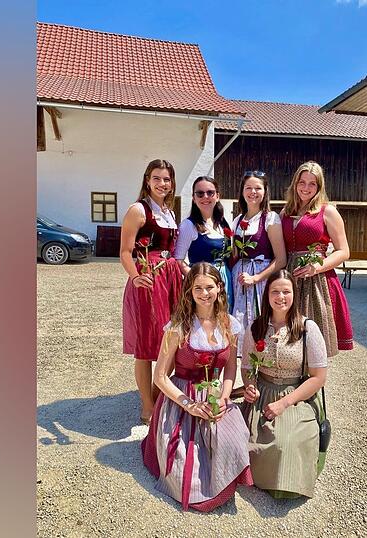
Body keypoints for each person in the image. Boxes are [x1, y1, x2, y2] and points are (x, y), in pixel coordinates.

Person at [141, 263, 253, 511]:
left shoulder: (230, 324)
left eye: (209, 287)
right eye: (198, 288)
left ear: (220, 288)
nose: (204, 293)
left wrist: (224, 398)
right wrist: (189, 405)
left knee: (234, 443)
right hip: (181, 400)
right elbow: (160, 377)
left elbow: (230, 368)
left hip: (215, 395)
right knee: (183, 469)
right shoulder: (178, 327)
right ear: (189, 291)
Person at [241, 270, 328, 499]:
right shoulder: (256, 327)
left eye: (286, 291)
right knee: (245, 439)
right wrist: (250, 386)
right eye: (275, 291)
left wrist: (285, 403)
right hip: (263, 392)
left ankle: (286, 484)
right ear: (267, 295)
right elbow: (247, 368)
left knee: (286, 442)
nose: (281, 297)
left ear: (294, 294)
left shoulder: (307, 328)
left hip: (296, 396)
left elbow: (318, 377)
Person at [121, 159, 186, 424]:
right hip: (149, 280)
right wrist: (136, 277)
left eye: (167, 179)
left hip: (171, 280)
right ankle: (147, 405)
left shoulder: (168, 211)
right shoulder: (139, 210)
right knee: (146, 345)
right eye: (157, 178)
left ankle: (159, 394)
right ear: (147, 180)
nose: (162, 183)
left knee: (169, 340)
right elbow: (125, 252)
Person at [280, 161, 353, 356]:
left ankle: (313, 382)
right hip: (289, 277)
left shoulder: (327, 211)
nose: (306, 188)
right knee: (289, 336)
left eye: (312, 183)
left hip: (317, 281)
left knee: (313, 340)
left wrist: (317, 266)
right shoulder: (285, 213)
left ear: (319, 186)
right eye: (302, 182)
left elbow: (344, 251)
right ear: (295, 184)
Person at [229, 170, 287, 331]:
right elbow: (234, 254)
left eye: (258, 188)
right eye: (248, 188)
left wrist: (256, 278)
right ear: (242, 191)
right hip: (239, 279)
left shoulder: (270, 218)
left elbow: (281, 259)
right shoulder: (237, 220)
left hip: (261, 279)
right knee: (238, 321)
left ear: (265, 191)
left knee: (259, 320)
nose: (252, 192)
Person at [173, 176, 234, 311]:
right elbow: (178, 260)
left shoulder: (223, 223)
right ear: (194, 198)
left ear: (217, 196)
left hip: (225, 279)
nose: (205, 197)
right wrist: (198, 279)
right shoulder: (188, 225)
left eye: (210, 193)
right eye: (200, 193)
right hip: (203, 283)